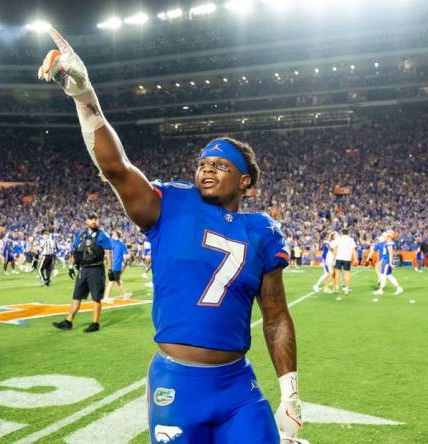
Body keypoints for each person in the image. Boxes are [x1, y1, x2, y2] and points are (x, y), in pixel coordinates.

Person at [39, 28, 302, 443]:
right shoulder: (171, 204)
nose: (206, 169)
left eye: (221, 165)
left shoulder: (262, 231)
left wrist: (290, 392)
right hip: (177, 383)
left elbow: (276, 316)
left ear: (245, 181)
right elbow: (117, 168)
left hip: (238, 387)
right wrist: (84, 97)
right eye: (202, 163)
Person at [53, 214, 112, 333]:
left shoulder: (102, 235)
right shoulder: (80, 236)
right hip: (83, 269)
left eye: (95, 219)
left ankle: (95, 323)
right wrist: (70, 266)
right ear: (87, 221)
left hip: (96, 269)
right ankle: (68, 322)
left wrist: (111, 269)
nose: (94, 221)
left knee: (96, 297)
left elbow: (108, 252)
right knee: (76, 296)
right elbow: (75, 252)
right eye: (91, 219)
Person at [373, 231, 403, 295]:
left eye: (387, 234)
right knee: (389, 275)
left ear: (389, 236)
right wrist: (381, 261)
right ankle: (399, 288)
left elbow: (390, 253)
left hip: (387, 261)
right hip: (385, 260)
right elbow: (385, 253)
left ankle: (381, 289)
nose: (385, 235)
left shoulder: (390, 243)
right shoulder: (387, 242)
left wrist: (390, 263)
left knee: (383, 275)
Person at [104, 231, 131, 302]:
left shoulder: (111, 243)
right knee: (117, 281)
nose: (112, 235)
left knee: (112, 281)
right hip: (117, 265)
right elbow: (126, 257)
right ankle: (124, 295)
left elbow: (107, 252)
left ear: (115, 235)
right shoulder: (122, 245)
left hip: (111, 265)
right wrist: (129, 258)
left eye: (113, 234)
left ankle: (106, 296)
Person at [332, 228, 357, 295]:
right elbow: (353, 250)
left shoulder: (338, 239)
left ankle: (337, 288)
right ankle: (347, 289)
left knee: (337, 274)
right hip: (347, 258)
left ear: (342, 233)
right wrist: (355, 258)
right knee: (347, 274)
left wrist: (333, 257)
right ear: (348, 233)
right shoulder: (351, 239)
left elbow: (335, 249)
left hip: (339, 258)